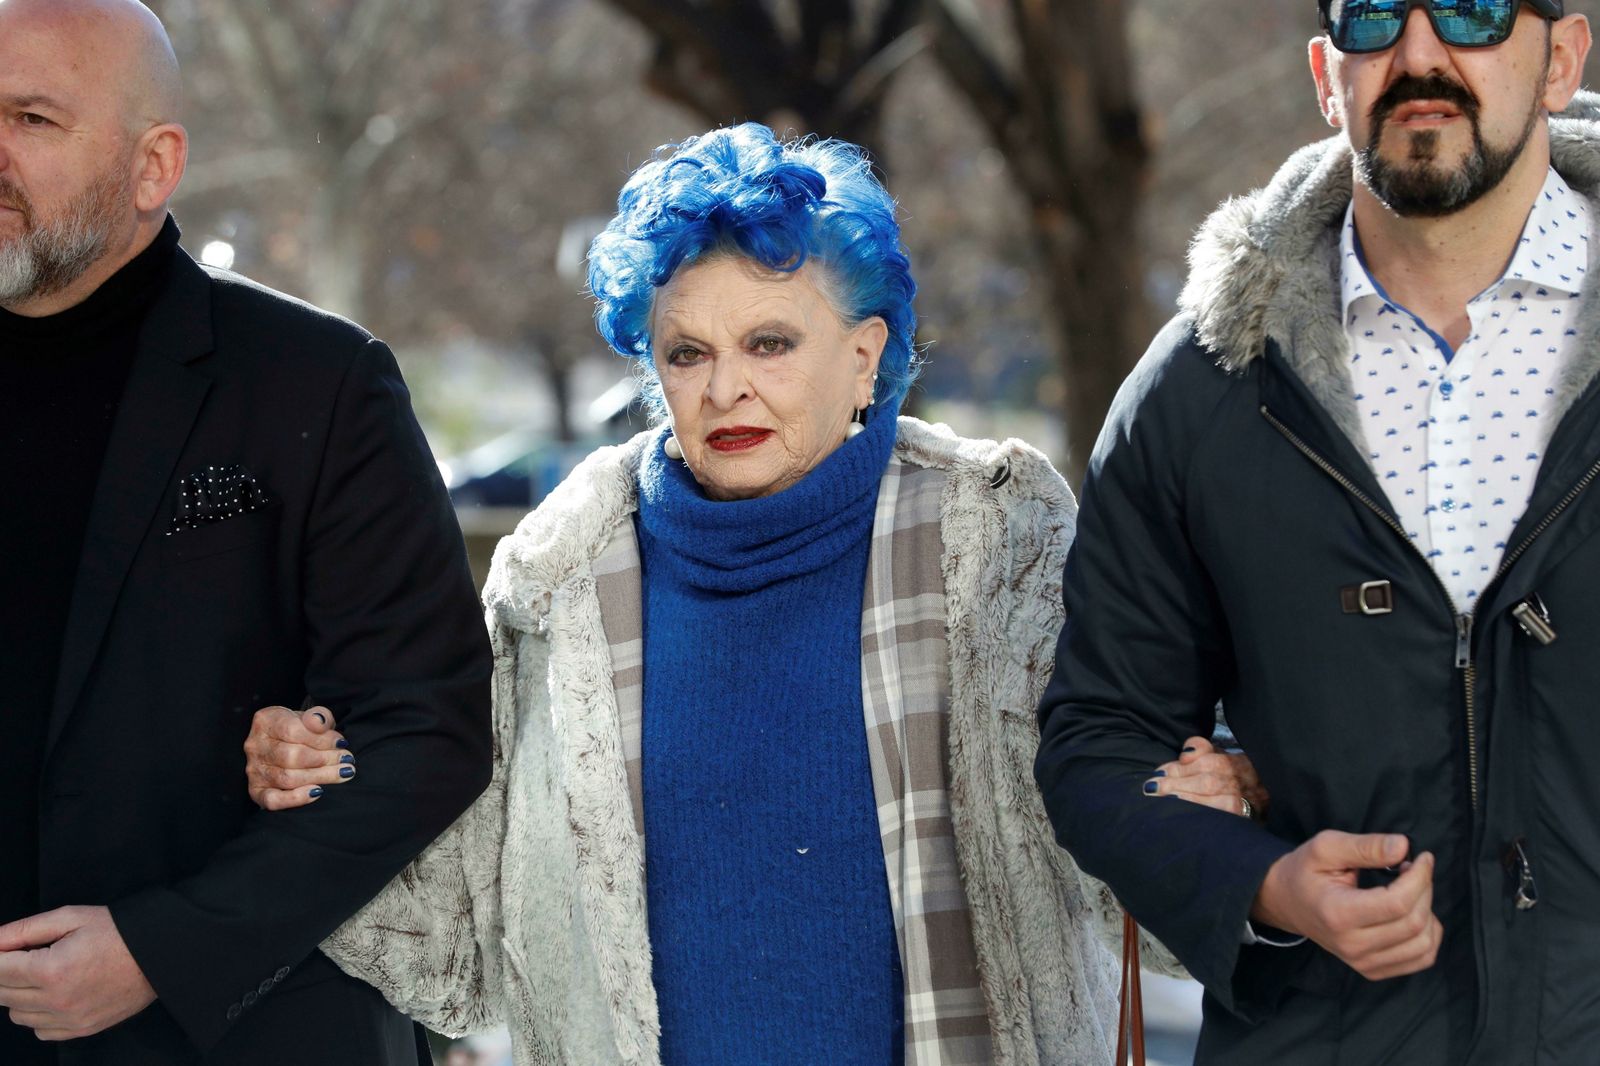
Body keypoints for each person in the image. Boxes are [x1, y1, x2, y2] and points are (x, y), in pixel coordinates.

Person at [242, 122, 1259, 1065]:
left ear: (864, 357)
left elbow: (1139, 885)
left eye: (769, 342)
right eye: (687, 352)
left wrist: (1198, 804)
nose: (725, 387)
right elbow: (453, 957)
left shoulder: (1000, 544)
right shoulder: (557, 582)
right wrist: (323, 781)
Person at [1035, 1, 1597, 1063]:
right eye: (1374, 14)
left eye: (1473, 11)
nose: (1419, 55)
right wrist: (1264, 882)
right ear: (1323, 73)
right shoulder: (1198, 390)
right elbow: (1100, 741)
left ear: (1560, 58)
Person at [0, 1, 493, 1063]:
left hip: (240, 1032)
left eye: (31, 119)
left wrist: (163, 949)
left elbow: (426, 728)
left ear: (153, 166)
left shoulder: (316, 381)